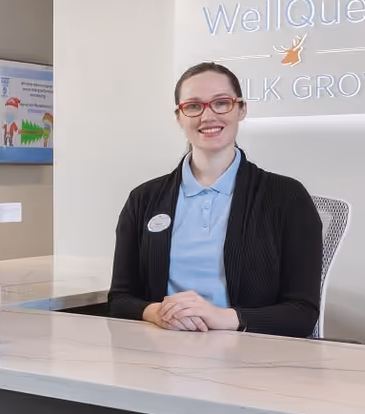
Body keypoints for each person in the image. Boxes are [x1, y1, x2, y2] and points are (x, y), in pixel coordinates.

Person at [108, 62, 323, 337]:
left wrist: (222, 317)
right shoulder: (143, 199)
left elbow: (302, 314)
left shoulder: (287, 197)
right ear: (179, 116)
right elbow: (120, 299)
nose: (207, 116)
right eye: (194, 106)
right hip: (161, 354)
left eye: (221, 103)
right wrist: (158, 313)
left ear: (241, 109)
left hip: (251, 358)